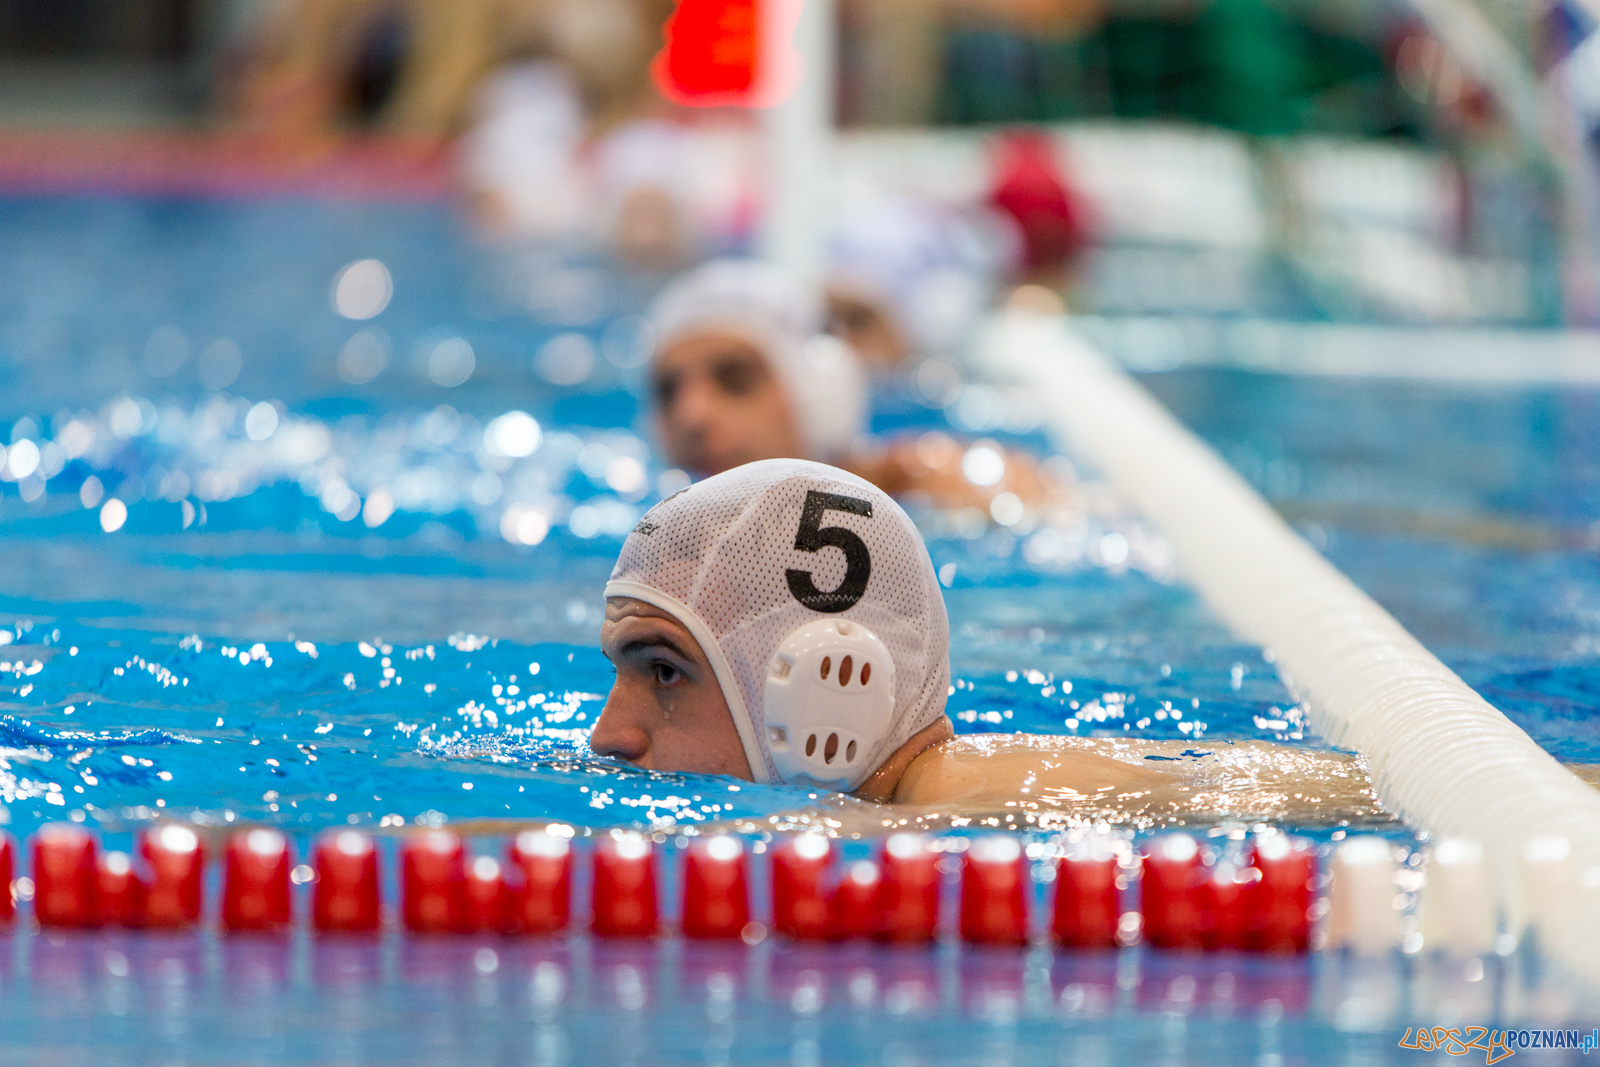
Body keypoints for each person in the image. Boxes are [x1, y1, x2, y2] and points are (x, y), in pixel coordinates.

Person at [589, 458, 1384, 827]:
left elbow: (1371, 796)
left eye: (665, 670)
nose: (608, 732)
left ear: (827, 684)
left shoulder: (971, 797)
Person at [647, 258, 1071, 517]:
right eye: (668, 390)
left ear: (819, 393)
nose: (691, 415)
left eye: (735, 380)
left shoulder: (923, 487)